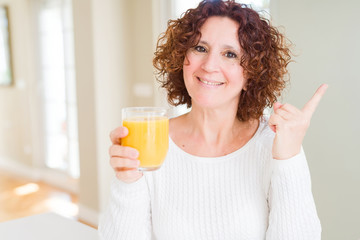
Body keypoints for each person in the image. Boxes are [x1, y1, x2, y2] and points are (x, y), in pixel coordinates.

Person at [99, 0, 327, 239]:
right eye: (200, 48)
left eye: (230, 54)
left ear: (252, 73)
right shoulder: (150, 140)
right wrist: (127, 181)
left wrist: (288, 160)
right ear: (181, 58)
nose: (209, 66)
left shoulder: (275, 144)